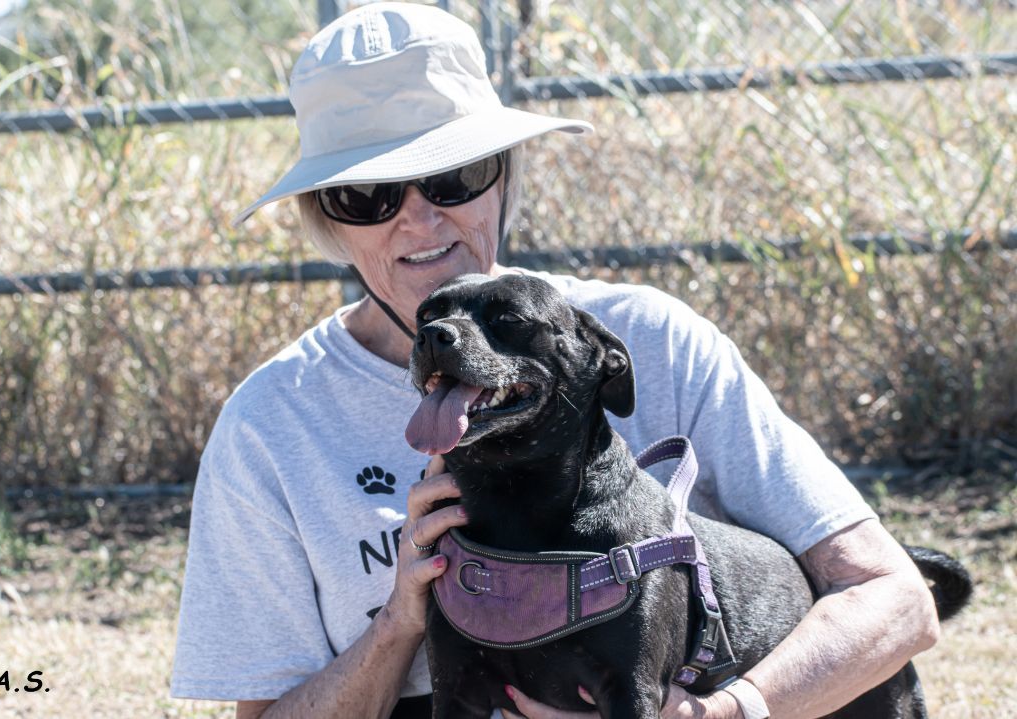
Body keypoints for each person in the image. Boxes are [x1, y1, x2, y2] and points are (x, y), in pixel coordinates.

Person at [170, 4, 940, 719]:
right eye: (368, 195)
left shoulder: (654, 339)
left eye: (452, 176)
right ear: (326, 220)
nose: (419, 216)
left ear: (504, 174)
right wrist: (402, 619)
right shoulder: (273, 424)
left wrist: (728, 710)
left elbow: (896, 599)